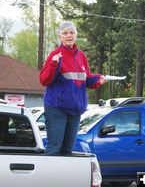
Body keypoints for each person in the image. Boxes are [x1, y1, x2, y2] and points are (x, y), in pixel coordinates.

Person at [39, 21, 106, 155]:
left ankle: (62, 176)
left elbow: (85, 78)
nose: (69, 35)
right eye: (65, 33)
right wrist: (54, 64)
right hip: (57, 108)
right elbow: (44, 80)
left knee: (67, 150)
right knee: (54, 148)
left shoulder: (81, 56)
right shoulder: (55, 55)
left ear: (76, 35)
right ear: (60, 36)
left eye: (71, 32)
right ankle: (47, 176)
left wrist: (98, 79)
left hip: (75, 110)